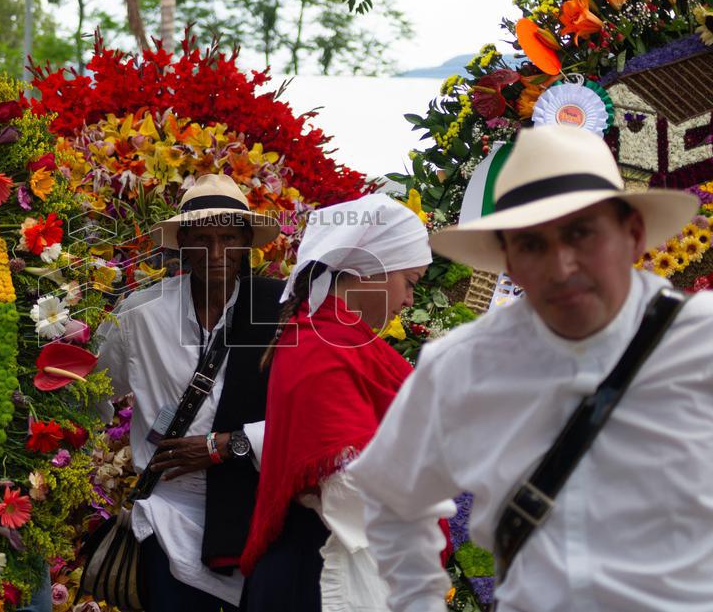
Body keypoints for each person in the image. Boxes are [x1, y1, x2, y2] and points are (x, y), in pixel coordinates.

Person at [348, 124, 711, 612]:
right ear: (508, 262)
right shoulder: (462, 365)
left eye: (580, 233)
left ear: (633, 234)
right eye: (531, 245)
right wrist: (418, 603)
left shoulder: (702, 341)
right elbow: (393, 498)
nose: (561, 266)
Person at [95, 173, 286, 612]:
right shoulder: (140, 315)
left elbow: (309, 417)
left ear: (245, 243)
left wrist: (231, 445)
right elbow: (92, 397)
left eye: (227, 238)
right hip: (169, 514)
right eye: (202, 239)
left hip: (254, 515)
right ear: (182, 241)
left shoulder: (279, 315)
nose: (216, 253)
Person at [239, 193, 433, 612]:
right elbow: (348, 486)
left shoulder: (340, 342)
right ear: (369, 271)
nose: (408, 301)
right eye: (410, 282)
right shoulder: (321, 346)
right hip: (322, 569)